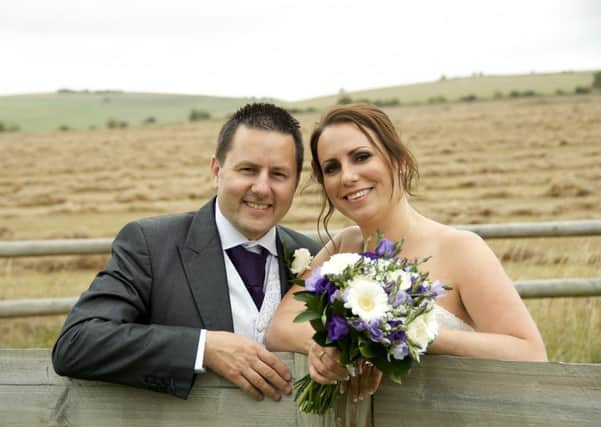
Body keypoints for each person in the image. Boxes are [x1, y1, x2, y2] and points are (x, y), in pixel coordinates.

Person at [265, 103, 547, 400]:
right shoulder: (343, 247)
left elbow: (529, 353)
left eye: (361, 157)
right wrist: (335, 346)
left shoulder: (460, 249)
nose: (347, 176)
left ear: (397, 159)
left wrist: (406, 333)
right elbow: (279, 329)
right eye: (332, 168)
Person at [52, 103, 322, 401]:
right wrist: (202, 348)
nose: (261, 187)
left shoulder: (315, 256)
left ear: (296, 182)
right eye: (248, 169)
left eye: (279, 174)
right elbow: (77, 342)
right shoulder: (150, 244)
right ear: (216, 171)